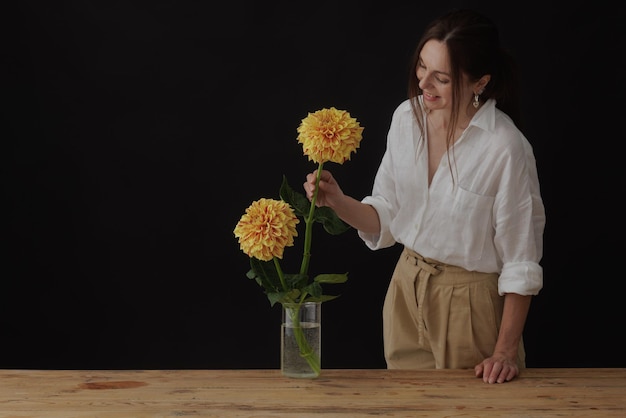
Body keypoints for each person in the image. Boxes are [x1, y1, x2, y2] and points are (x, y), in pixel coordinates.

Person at [303, 9, 545, 384]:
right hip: (406, 289)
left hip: (469, 303)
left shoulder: (506, 148)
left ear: (480, 82)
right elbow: (387, 214)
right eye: (421, 68)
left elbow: (520, 261)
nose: (423, 85)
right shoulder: (406, 119)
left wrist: (505, 351)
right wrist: (336, 200)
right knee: (407, 406)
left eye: (442, 78)